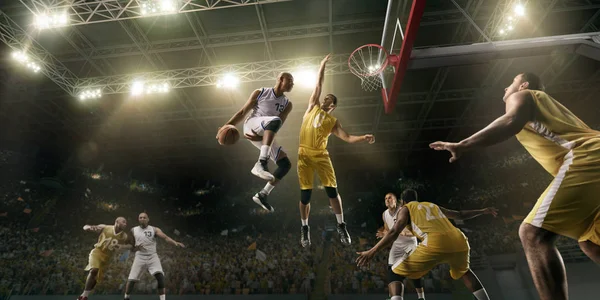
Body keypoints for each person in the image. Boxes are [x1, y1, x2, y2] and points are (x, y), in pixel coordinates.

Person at [430, 72, 600, 300]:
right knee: (589, 241)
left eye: (510, 83)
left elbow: (511, 121)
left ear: (524, 85)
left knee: (531, 234)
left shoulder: (524, 95)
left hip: (586, 158)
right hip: (592, 159)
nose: (505, 89)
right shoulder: (546, 107)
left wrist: (463, 144)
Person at [356, 189, 497, 300]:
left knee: (394, 272)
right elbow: (460, 214)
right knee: (465, 272)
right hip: (459, 240)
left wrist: (372, 251)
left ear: (403, 201)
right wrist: (482, 211)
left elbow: (394, 232)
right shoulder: (432, 205)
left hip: (435, 243)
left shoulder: (405, 209)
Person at [297, 54, 375, 247]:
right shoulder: (312, 106)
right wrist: (322, 65)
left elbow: (347, 138)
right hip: (304, 155)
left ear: (333, 106)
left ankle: (341, 225)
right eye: (325, 96)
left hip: (321, 156)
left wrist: (363, 137)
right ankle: (305, 228)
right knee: (305, 196)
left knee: (333, 192)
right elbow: (318, 84)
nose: (325, 98)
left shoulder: (333, 122)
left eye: (329, 99)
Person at [219, 73, 294, 212]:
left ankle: (263, 194)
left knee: (285, 165)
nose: (292, 84)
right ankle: (262, 162)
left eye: (293, 82)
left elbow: (279, 124)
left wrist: (261, 138)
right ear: (280, 79)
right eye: (289, 80)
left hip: (265, 133)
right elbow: (242, 112)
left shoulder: (287, 104)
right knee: (274, 121)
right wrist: (226, 126)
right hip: (251, 126)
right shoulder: (261, 92)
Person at [124, 212, 185, 300]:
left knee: (160, 276)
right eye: (140, 217)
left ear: (148, 219)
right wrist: (135, 248)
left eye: (144, 217)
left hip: (152, 256)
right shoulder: (133, 230)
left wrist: (175, 243)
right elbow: (129, 247)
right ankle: (126, 298)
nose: (142, 219)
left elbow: (165, 238)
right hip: (139, 256)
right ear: (138, 219)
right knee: (131, 280)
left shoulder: (154, 229)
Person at [377, 192, 425, 300]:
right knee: (391, 269)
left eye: (390, 198)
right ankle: (393, 296)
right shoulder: (384, 214)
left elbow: (414, 231)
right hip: (397, 245)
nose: (387, 200)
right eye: (385, 198)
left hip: (410, 243)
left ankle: (421, 297)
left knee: (413, 270)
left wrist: (399, 233)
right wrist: (384, 233)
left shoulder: (403, 210)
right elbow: (387, 229)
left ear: (396, 200)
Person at [78, 217, 130, 300]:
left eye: (126, 222)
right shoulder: (105, 227)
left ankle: (85, 295)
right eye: (123, 222)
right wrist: (87, 227)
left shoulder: (124, 236)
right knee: (94, 270)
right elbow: (88, 226)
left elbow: (129, 246)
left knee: (96, 278)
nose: (125, 224)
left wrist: (122, 247)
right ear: (116, 222)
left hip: (107, 258)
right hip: (97, 252)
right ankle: (83, 296)